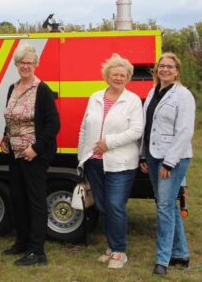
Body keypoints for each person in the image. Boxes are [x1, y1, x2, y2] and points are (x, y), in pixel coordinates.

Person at [77, 53, 143, 269]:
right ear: (107, 76)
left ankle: (119, 251)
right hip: (94, 162)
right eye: (114, 74)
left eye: (123, 75)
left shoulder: (132, 100)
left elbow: (136, 130)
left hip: (120, 164)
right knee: (103, 206)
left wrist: (109, 143)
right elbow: (84, 127)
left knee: (115, 205)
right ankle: (111, 247)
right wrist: (82, 157)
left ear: (128, 78)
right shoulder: (95, 97)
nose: (118, 78)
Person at [0, 43, 60, 266]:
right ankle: (22, 242)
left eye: (29, 62)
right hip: (15, 154)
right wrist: (5, 137)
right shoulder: (12, 88)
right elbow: (11, 118)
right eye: (22, 62)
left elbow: (53, 124)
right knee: (18, 199)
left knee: (35, 202)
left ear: (36, 64)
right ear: (16, 65)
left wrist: (36, 148)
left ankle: (37, 252)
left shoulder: (41, 89)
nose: (25, 66)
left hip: (34, 155)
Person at [139, 52, 195, 277]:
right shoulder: (153, 92)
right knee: (169, 206)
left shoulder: (183, 95)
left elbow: (184, 132)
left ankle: (162, 260)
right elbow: (147, 127)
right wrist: (143, 155)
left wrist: (169, 163)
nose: (165, 69)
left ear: (177, 71)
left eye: (170, 66)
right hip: (153, 157)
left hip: (173, 159)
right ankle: (180, 253)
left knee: (163, 207)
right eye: (161, 66)